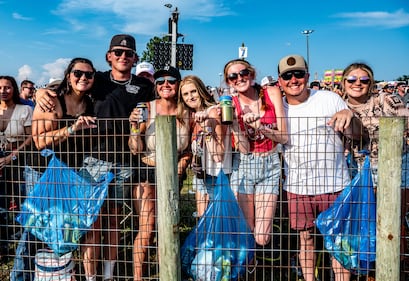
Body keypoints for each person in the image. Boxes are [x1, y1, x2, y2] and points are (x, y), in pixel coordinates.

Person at [35, 34, 155, 281]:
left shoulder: (144, 87)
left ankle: (109, 275)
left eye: (128, 53)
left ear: (135, 58)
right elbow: (63, 86)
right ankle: (91, 277)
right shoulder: (95, 78)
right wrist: (40, 93)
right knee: (91, 223)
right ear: (109, 56)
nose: (123, 57)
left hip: (125, 162)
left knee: (113, 221)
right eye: (118, 52)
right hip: (93, 162)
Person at [278, 54, 365, 281]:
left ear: (307, 75)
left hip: (335, 183)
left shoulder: (329, 98)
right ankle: (309, 279)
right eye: (287, 75)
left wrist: (350, 115)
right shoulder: (278, 108)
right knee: (305, 238)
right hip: (297, 186)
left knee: (338, 239)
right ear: (280, 81)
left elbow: (356, 135)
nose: (293, 79)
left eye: (298, 74)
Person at [341, 62, 409, 279]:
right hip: (361, 172)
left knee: (395, 222)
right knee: (369, 222)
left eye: (363, 80)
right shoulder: (340, 106)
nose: (357, 84)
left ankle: (397, 269)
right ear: (344, 83)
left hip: (395, 167)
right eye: (352, 79)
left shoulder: (384, 99)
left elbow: (406, 118)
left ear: (371, 83)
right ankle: (371, 272)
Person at [128, 66, 191, 281]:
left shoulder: (186, 112)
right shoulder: (147, 108)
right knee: (147, 226)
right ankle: (138, 277)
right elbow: (135, 148)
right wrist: (134, 127)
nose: (165, 84)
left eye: (171, 80)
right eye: (160, 81)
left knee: (169, 225)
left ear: (178, 84)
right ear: (155, 86)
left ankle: (168, 273)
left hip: (174, 174)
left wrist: (182, 164)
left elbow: (190, 148)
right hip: (147, 170)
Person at [223, 59, 288, 248]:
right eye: (233, 76)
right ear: (228, 82)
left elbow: (283, 137)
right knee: (246, 228)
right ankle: (249, 267)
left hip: (270, 163)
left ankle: (257, 258)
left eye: (243, 73)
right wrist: (236, 124)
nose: (239, 78)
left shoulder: (271, 93)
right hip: (244, 165)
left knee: (261, 235)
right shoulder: (231, 103)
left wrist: (261, 127)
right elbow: (243, 149)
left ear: (251, 74)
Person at [178, 75, 248, 217]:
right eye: (185, 94)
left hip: (217, 176)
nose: (190, 97)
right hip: (201, 175)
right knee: (205, 222)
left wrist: (207, 129)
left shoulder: (213, 112)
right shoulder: (193, 116)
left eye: (193, 91)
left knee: (217, 223)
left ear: (201, 91)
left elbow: (218, 155)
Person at [0, 76, 33, 261]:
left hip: (19, 160)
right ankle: (3, 247)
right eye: (0, 87)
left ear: (14, 89)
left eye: (7, 87)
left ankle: (24, 246)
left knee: (22, 202)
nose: (3, 91)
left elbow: (30, 137)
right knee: (2, 207)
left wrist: (13, 155)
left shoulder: (25, 110)